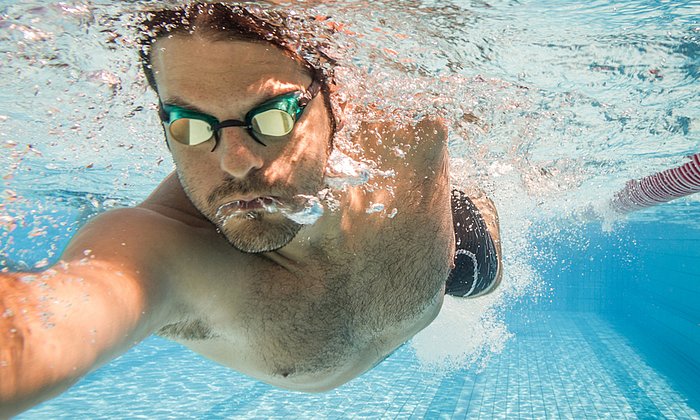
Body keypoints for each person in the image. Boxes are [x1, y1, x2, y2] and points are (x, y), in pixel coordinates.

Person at [0, 3, 501, 416]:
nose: (236, 163)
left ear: (334, 101)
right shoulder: (163, 250)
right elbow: (58, 314)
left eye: (272, 115)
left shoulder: (410, 127)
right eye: (190, 124)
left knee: (481, 271)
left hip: (454, 248)